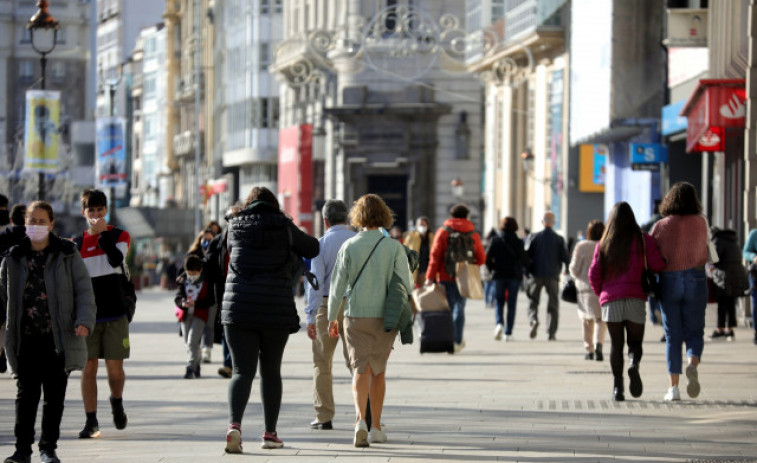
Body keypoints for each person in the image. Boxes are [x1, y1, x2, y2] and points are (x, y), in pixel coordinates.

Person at [222, 186, 319, 453]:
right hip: (274, 309)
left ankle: (235, 426)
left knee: (242, 371)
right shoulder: (284, 226)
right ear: (274, 204)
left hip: (238, 308)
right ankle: (269, 434)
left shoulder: (233, 225)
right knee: (270, 371)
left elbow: (222, 257)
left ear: (248, 203)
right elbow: (313, 248)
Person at [0, 201, 96, 463]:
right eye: (32, 221)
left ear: (52, 224)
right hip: (26, 338)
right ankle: (22, 451)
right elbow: (3, 300)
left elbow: (84, 290)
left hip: (59, 338)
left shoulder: (67, 253)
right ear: (24, 223)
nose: (36, 226)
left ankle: (48, 448)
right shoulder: (13, 257)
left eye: (42, 221)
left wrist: (84, 319)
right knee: (26, 396)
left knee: (54, 397)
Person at [327, 194, 413, 447]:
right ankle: (376, 427)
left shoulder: (349, 246)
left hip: (354, 315)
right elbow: (406, 284)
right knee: (379, 371)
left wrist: (332, 317)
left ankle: (358, 422)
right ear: (384, 216)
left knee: (359, 369)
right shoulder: (394, 247)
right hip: (384, 317)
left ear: (358, 216)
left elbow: (337, 286)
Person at [589, 202, 665, 401]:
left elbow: (593, 274)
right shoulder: (642, 240)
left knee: (616, 344)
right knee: (635, 342)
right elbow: (657, 265)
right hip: (635, 297)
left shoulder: (603, 243)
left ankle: (618, 387)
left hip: (611, 301)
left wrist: (602, 294)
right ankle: (634, 363)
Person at [75, 189, 131, 439]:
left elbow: (115, 259)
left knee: (114, 370)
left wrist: (102, 235)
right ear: (84, 212)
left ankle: (116, 400)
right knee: (88, 368)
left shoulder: (119, 235)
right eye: (91, 211)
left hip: (115, 313)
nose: (96, 215)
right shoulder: (76, 244)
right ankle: (91, 421)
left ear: (106, 210)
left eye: (100, 210)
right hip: (88, 316)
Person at [651, 182, 710, 401]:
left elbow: (652, 254)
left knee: (672, 336)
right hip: (696, 277)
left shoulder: (661, 225)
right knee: (695, 331)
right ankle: (692, 363)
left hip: (670, 279)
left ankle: (673, 389)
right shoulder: (701, 223)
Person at [305, 199, 357, 430]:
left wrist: (310, 315)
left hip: (327, 306)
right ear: (347, 218)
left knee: (322, 363)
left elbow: (315, 283)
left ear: (325, 220)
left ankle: (324, 415)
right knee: (358, 362)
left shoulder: (321, 244)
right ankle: (365, 414)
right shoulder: (357, 240)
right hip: (356, 306)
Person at [424, 203, 486, 352]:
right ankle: (457, 341)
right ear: (466, 216)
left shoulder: (443, 231)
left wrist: (430, 277)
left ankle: (449, 339)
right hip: (464, 276)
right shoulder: (473, 233)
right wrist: (471, 266)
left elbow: (435, 257)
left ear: (451, 216)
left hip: (446, 275)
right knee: (460, 307)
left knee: (449, 309)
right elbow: (482, 258)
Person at [205, 205, 241, 378]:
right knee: (227, 327)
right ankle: (229, 364)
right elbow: (208, 265)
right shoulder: (218, 241)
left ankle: (239, 363)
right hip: (224, 290)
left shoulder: (249, 240)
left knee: (242, 328)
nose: (233, 223)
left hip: (244, 290)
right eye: (230, 219)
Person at [525, 211, 569, 340]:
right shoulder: (559, 239)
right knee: (553, 304)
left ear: (542, 222)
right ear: (553, 223)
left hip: (536, 274)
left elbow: (527, 256)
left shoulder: (533, 237)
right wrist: (567, 270)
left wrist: (528, 271)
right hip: (553, 275)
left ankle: (533, 320)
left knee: (533, 301)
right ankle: (551, 332)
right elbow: (566, 257)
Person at [569, 220, 606, 360]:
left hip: (584, 287)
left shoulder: (581, 246)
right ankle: (599, 345)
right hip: (602, 287)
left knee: (586, 320)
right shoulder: (605, 245)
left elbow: (574, 268)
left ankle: (589, 350)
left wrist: (578, 276)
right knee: (600, 319)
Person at [486, 217, 528, 342]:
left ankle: (499, 323)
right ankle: (508, 332)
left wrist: (492, 269)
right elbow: (524, 259)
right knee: (511, 304)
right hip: (514, 276)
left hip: (498, 275)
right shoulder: (518, 241)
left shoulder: (495, 240)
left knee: (499, 302)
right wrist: (529, 269)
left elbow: (487, 258)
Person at [174, 254, 215, 378]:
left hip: (200, 314)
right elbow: (177, 297)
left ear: (200, 270)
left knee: (193, 341)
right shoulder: (183, 281)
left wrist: (196, 303)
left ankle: (190, 368)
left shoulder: (207, 282)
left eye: (194, 273)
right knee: (188, 342)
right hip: (185, 315)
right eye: (189, 273)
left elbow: (211, 300)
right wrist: (182, 303)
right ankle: (196, 365)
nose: (191, 276)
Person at [709, 227, 749, 341]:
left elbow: (714, 258)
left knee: (722, 303)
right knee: (731, 303)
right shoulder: (732, 240)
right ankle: (730, 330)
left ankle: (720, 329)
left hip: (724, 276)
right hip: (736, 275)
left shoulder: (718, 240)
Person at [0, 203, 26, 375]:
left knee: (3, 327)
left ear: (11, 219)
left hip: (3, 287)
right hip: (27, 290)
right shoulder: (34, 239)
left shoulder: (2, 237)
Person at [641, 200, 663, 325]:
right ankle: (659, 310)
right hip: (661, 258)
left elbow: (643, 228)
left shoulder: (654, 220)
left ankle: (653, 317)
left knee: (651, 289)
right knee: (661, 289)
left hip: (650, 256)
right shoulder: (666, 220)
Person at [403, 216, 434, 288]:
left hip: (427, 271)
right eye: (420, 224)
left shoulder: (432, 237)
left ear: (427, 226)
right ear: (416, 226)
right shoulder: (411, 237)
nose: (422, 227)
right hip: (415, 272)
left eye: (424, 225)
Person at [742, 228, 757, 345]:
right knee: (756, 304)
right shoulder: (754, 234)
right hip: (756, 275)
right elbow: (745, 252)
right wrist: (753, 257)